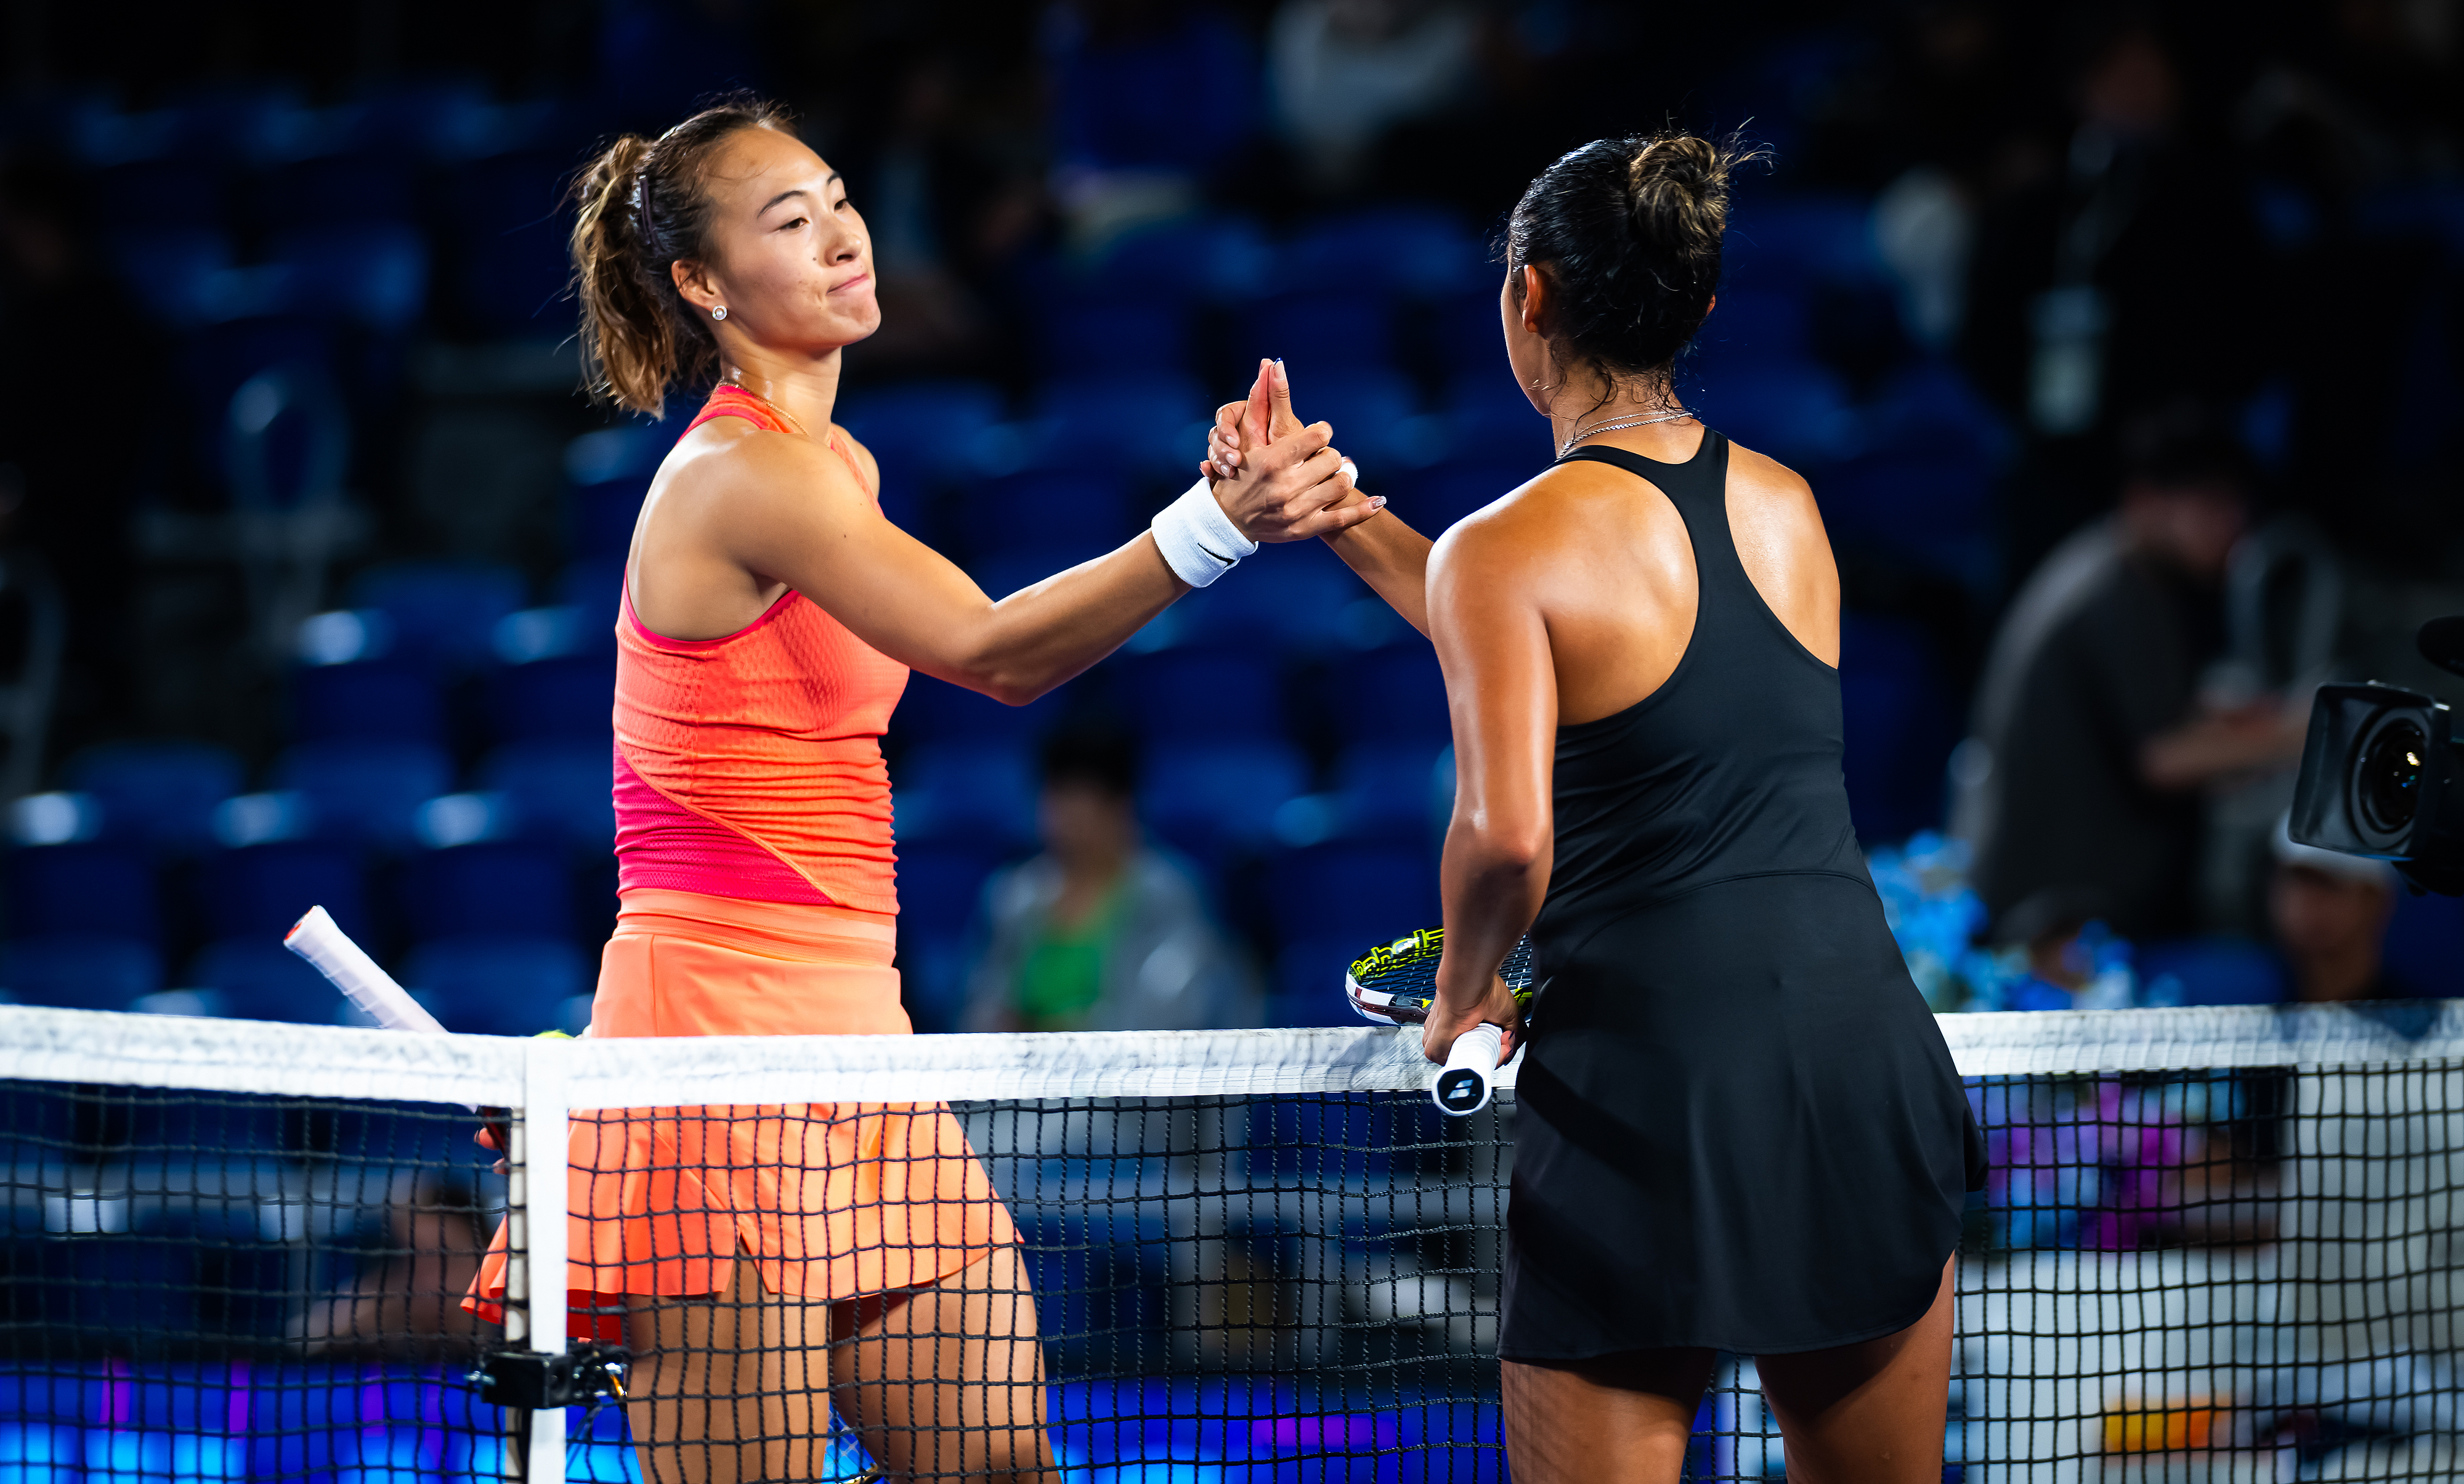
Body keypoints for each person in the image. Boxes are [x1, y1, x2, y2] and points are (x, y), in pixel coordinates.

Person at [462, 95, 1372, 1484]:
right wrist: (1212, 527)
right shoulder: (736, 476)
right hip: (713, 1051)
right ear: (700, 286)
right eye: (788, 220)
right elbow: (993, 652)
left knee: (1002, 1466)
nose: (839, 235)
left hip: (864, 1045)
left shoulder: (840, 468)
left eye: (836, 197)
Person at [1207, 135, 1985, 1483]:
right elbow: (1569, 639)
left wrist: (1460, 995)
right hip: (1858, 1059)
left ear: (1527, 300)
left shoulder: (1506, 547)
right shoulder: (1788, 506)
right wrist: (1342, 516)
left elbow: (1507, 832)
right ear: (1698, 308)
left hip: (1653, 1080)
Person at [1954, 410, 2308, 944]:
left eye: (2238, 507)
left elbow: (2147, 715)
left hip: (2073, 908)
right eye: (2211, 505)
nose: (2232, 526)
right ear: (2145, 500)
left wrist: (2231, 724)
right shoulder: (2115, 591)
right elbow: (2163, 759)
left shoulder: (2121, 571)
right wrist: (2298, 736)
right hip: (2047, 922)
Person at [963, 724, 1257, 1032]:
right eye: (1054, 798)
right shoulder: (1013, 896)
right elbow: (980, 1011)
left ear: (1121, 807)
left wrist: (1053, 1033)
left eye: (1078, 802)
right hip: (1020, 1076)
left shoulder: (1170, 895)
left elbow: (1171, 1017)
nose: (1061, 817)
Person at [2271, 816, 2407, 1003]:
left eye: (2325, 883)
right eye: (2296, 879)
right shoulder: (2249, 1002)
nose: (2304, 898)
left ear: (2374, 899)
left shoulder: (2417, 1018)